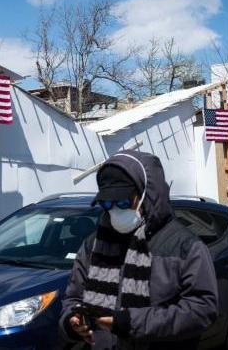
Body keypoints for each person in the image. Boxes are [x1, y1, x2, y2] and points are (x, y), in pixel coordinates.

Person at [59, 150, 218, 350]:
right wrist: (71, 321)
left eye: (123, 202)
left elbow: (202, 309)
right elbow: (73, 298)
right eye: (107, 203)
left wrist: (132, 322)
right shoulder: (93, 245)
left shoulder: (184, 247)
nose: (115, 209)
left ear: (146, 195)